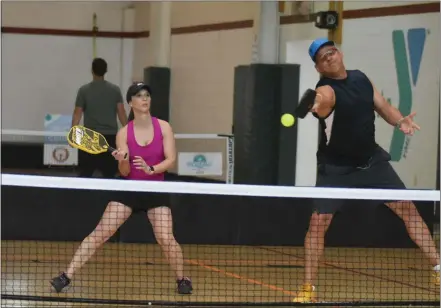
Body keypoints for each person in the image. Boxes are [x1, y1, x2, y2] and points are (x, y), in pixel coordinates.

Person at [292, 38, 440, 303]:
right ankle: (307, 289)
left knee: (408, 209)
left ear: (340, 53)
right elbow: (322, 100)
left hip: (371, 162)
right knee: (318, 223)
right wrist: (314, 102)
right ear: (318, 68)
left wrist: (400, 121)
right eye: (322, 58)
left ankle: (439, 269)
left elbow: (383, 107)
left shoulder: (361, 78)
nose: (329, 58)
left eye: (331, 52)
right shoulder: (326, 90)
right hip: (336, 169)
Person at [51, 82, 193, 295]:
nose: (144, 99)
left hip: (156, 189)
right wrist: (122, 159)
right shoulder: (124, 134)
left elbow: (171, 159)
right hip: (130, 189)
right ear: (130, 102)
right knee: (100, 234)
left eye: (147, 95)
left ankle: (182, 279)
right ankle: (66, 276)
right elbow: (125, 171)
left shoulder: (164, 127)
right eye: (138, 96)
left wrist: (151, 168)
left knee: (165, 238)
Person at [72, 58, 128, 178]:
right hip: (110, 138)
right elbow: (121, 113)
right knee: (109, 175)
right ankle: (109, 197)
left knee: (85, 175)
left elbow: (77, 114)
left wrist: (73, 134)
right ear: (106, 71)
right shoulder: (115, 90)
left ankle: (83, 197)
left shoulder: (84, 91)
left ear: (92, 70)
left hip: (89, 137)